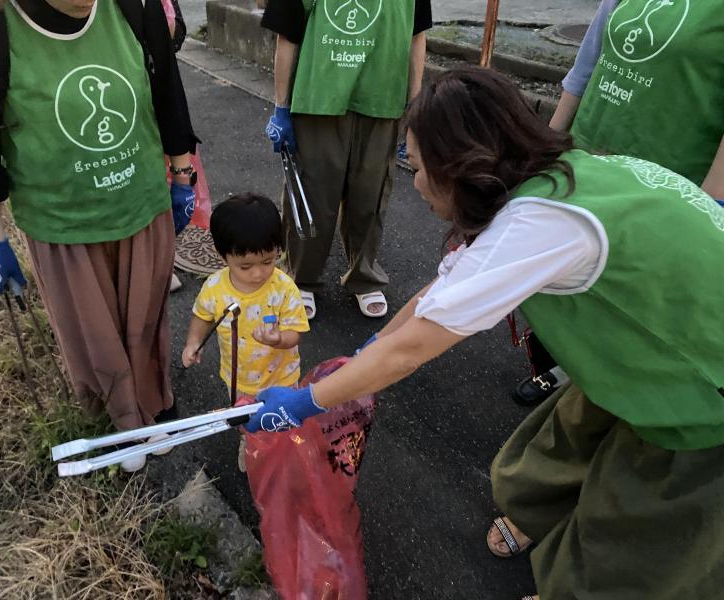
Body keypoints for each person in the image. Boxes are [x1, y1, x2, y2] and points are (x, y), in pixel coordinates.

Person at [243, 66, 724, 599]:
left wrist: (306, 402)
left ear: (462, 167)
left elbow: (414, 350)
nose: (415, 179)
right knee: (573, 428)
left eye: (420, 166)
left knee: (640, 518)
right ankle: (534, 514)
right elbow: (440, 294)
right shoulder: (552, 177)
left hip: (702, 379)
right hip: (649, 343)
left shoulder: (539, 224)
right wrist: (370, 351)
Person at [0, 0, 199, 472]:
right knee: (92, 333)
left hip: (141, 198)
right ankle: (119, 422)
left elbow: (166, 89)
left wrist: (183, 175)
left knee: (145, 320)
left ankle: (152, 401)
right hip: (62, 220)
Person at [514, 0, 724, 406]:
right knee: (569, 276)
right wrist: (541, 150)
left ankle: (596, 389)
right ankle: (566, 365)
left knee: (629, 295)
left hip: (663, 182)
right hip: (590, 158)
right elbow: (585, 70)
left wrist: (708, 207)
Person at [260, 0, 432, 319]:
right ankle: (302, 279)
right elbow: (288, 36)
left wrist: (415, 103)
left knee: (371, 192)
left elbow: (416, 34)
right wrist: (281, 106)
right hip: (318, 98)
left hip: (382, 97)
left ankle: (364, 276)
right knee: (313, 191)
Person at [182, 194, 309, 470]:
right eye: (245, 266)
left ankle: (284, 449)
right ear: (223, 254)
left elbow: (296, 332)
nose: (258, 274)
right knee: (245, 418)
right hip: (238, 377)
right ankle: (250, 443)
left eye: (268, 261)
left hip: (282, 375)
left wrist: (280, 339)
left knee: (283, 417)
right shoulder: (216, 288)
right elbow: (202, 316)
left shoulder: (283, 288)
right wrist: (194, 342)